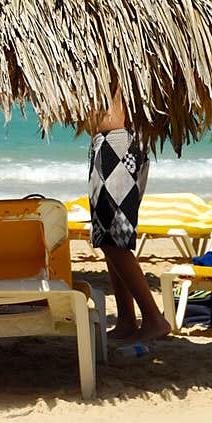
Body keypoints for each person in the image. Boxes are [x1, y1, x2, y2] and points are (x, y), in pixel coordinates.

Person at [85, 89, 171, 347]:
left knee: (113, 239)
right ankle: (126, 320)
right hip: (112, 144)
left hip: (117, 145)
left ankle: (154, 319)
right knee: (108, 239)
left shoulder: (114, 57)